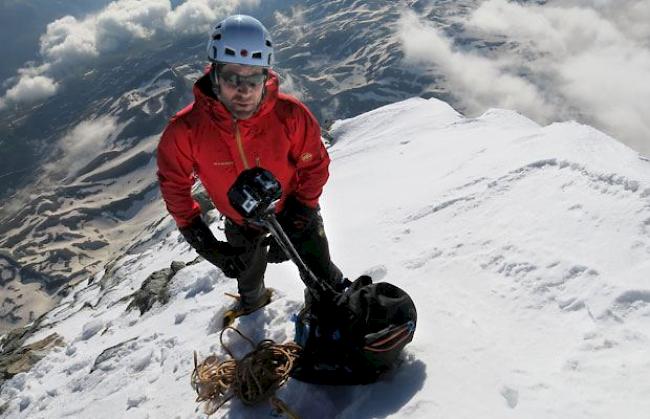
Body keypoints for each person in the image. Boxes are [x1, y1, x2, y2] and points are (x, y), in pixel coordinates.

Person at [156, 15, 343, 321]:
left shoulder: (291, 115)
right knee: (249, 280)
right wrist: (202, 240)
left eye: (253, 79)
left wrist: (303, 209)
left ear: (265, 77)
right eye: (232, 78)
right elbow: (174, 186)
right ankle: (252, 305)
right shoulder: (185, 130)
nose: (243, 90)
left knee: (320, 272)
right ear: (214, 74)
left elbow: (315, 163)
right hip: (241, 222)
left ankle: (327, 311)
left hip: (293, 210)